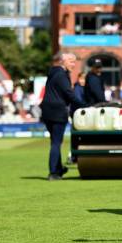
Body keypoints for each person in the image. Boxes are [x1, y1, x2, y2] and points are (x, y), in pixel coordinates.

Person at [40, 52, 85, 180]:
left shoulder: (54, 73)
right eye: (71, 61)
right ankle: (53, 172)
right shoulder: (61, 75)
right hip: (57, 111)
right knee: (56, 143)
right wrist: (85, 105)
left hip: (47, 111)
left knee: (55, 141)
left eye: (74, 61)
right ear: (63, 61)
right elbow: (68, 94)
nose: (74, 64)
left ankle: (58, 169)